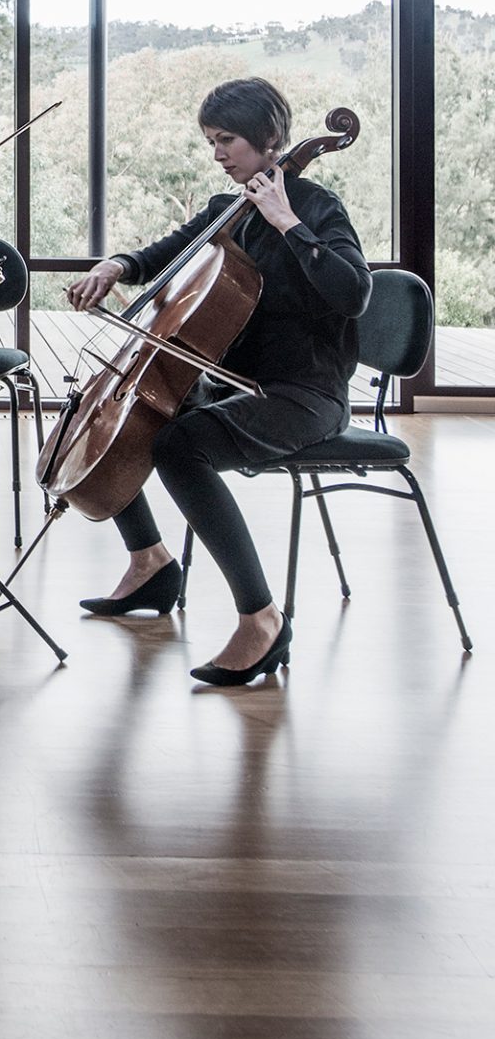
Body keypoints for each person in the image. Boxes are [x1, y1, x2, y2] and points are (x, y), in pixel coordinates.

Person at [66, 77, 371, 687]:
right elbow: (169, 251)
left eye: (226, 139)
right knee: (134, 415)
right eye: (211, 141)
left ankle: (261, 620)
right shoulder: (225, 212)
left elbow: (355, 293)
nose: (218, 154)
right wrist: (117, 265)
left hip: (307, 393)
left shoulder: (314, 208)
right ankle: (151, 562)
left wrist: (285, 220)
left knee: (182, 445)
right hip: (245, 383)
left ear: (272, 139)